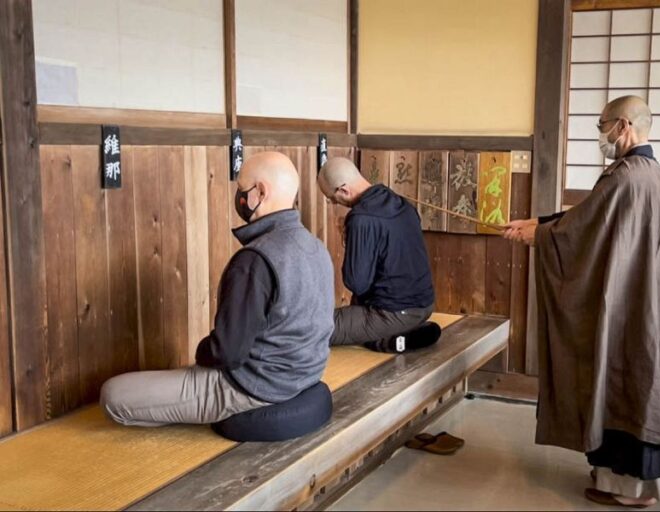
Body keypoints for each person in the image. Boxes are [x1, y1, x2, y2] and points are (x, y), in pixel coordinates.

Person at [504, 96, 660, 508]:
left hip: (628, 305)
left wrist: (543, 236)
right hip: (646, 301)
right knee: (638, 380)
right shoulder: (653, 176)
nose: (600, 136)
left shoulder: (626, 178)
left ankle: (629, 489)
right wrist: (540, 224)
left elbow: (583, 231)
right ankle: (631, 480)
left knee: (623, 382)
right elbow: (588, 219)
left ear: (622, 126)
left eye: (603, 127)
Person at [100, 152, 335, 426]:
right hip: (303, 375)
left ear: (260, 191)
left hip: (249, 387)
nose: (240, 198)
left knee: (113, 395)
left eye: (241, 189)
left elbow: (227, 353)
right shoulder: (315, 246)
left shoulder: (256, 260)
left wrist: (201, 352)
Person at [317, 157, 439, 353]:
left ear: (343, 190)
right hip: (424, 304)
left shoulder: (361, 218)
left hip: (392, 312)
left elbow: (356, 283)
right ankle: (399, 338)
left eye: (332, 198)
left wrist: (347, 241)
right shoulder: (401, 203)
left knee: (311, 329)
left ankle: (389, 340)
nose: (334, 203)